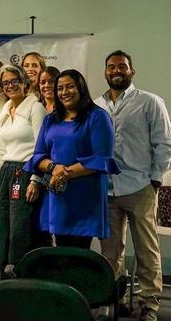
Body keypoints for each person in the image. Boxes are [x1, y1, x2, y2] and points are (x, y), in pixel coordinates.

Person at [95, 51, 171, 321]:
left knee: (146, 249)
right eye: (111, 67)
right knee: (110, 252)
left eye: (122, 67)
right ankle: (114, 301)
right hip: (107, 190)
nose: (116, 71)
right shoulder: (96, 106)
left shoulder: (150, 102)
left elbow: (164, 143)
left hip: (140, 186)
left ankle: (149, 303)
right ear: (105, 72)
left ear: (132, 71)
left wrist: (155, 180)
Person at [25, 69, 119, 250]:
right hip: (58, 195)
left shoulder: (98, 117)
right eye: (60, 88)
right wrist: (54, 168)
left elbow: (101, 158)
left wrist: (63, 173)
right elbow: (38, 155)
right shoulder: (51, 120)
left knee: (78, 253)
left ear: (81, 88)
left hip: (84, 196)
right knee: (61, 250)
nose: (64, 92)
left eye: (70, 87)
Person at [0, 65, 48, 273]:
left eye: (15, 81)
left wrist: (35, 180)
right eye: (5, 83)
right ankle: (4, 279)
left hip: (25, 172)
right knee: (4, 229)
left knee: (20, 230)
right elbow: (1, 149)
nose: (10, 86)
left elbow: (42, 147)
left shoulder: (35, 107)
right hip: (6, 172)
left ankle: (21, 277)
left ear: (25, 83)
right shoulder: (5, 110)